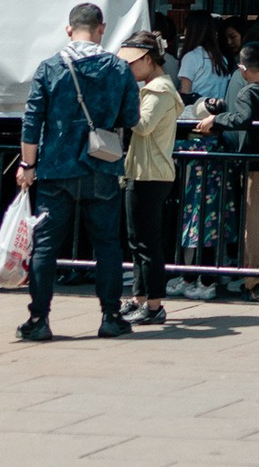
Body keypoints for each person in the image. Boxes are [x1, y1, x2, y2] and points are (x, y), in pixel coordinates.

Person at [14, 1, 143, 342]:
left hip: (56, 169)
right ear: (102, 29)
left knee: (45, 247)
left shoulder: (49, 68)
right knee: (107, 246)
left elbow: (32, 121)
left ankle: (39, 319)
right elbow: (131, 117)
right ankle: (110, 316)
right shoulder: (119, 69)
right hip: (102, 165)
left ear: (68, 29)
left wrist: (28, 165)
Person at [198, 41, 259, 297]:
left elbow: (242, 119)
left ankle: (255, 283)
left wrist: (215, 119)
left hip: (257, 165)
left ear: (242, 69)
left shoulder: (247, 93)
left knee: (255, 225)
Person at [118, 30, 179, 325]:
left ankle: (154, 305)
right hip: (143, 172)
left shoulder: (160, 90)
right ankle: (140, 299)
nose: (128, 69)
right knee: (137, 241)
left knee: (147, 243)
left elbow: (142, 126)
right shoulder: (153, 88)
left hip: (151, 174)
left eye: (132, 63)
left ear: (147, 59)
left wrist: (124, 99)